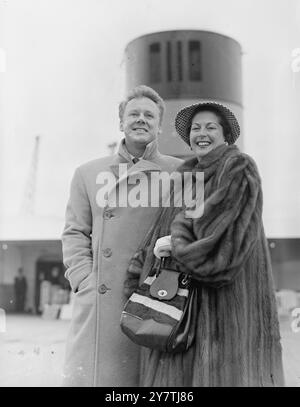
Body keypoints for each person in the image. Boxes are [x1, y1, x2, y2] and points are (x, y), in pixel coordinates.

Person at [126, 101, 285, 387]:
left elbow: (221, 246)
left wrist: (176, 244)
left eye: (211, 127)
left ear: (226, 135)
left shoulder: (237, 168)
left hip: (226, 313)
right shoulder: (185, 177)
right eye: (196, 128)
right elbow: (157, 234)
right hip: (183, 310)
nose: (202, 133)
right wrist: (143, 263)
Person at [61, 85, 183, 387]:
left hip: (155, 299)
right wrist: (83, 280)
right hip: (101, 301)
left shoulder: (180, 172)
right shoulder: (87, 173)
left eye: (149, 115)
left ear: (159, 126)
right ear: (121, 122)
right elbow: (74, 232)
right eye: (134, 114)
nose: (141, 119)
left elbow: (191, 231)